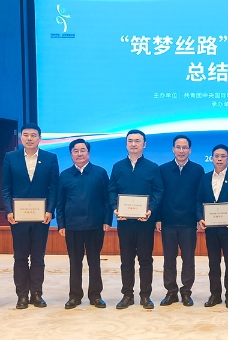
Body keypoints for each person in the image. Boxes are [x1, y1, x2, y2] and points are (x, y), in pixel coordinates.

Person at [2, 123, 59, 309]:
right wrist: (9, 210)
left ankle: (36, 294)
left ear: (40, 138)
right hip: (18, 217)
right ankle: (22, 295)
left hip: (41, 216)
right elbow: (6, 187)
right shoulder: (10, 157)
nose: (29, 138)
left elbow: (54, 187)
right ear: (21, 137)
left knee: (38, 257)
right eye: (25, 135)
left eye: (33, 135)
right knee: (20, 257)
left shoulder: (50, 158)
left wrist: (50, 210)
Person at [109, 129, 164, 310]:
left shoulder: (152, 167)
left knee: (145, 259)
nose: (133, 144)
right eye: (130, 141)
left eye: (137, 141)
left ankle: (145, 295)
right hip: (124, 221)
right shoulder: (118, 166)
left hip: (144, 222)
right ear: (126, 144)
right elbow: (112, 190)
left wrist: (150, 209)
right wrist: (115, 208)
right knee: (126, 260)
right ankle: (127, 295)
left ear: (144, 144)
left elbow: (158, 191)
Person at [57, 139, 112, 309]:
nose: (79, 154)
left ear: (88, 153)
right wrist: (61, 224)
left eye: (83, 150)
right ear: (71, 154)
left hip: (95, 225)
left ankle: (95, 295)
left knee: (94, 261)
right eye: (75, 151)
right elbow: (60, 201)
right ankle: (75, 296)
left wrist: (107, 220)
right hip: (72, 226)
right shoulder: (65, 175)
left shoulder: (100, 173)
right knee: (75, 262)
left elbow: (107, 199)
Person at [156, 135, 205, 307]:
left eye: (185, 147)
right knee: (169, 259)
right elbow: (159, 195)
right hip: (168, 222)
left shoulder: (198, 170)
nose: (181, 150)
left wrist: (199, 217)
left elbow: (200, 197)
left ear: (190, 150)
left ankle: (186, 292)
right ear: (173, 149)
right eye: (178, 147)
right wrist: (158, 218)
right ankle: (171, 292)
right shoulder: (163, 169)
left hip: (188, 223)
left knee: (188, 259)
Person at [196, 144, 228, 309]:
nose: (219, 159)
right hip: (211, 229)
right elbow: (198, 201)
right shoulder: (204, 178)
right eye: (216, 156)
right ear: (212, 158)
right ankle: (215, 295)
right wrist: (200, 218)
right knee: (213, 263)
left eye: (223, 156)